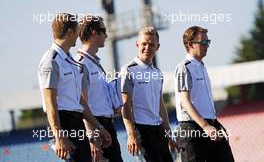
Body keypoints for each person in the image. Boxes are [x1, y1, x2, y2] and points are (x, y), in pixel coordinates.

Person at [38, 13, 112, 162]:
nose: (80, 34)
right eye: (77, 30)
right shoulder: (51, 61)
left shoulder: (70, 61)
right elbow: (50, 103)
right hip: (63, 122)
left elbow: (79, 99)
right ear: (70, 32)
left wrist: (99, 127)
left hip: (76, 121)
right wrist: (59, 137)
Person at [174, 26, 234, 162]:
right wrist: (205, 126)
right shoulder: (184, 67)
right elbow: (185, 101)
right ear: (190, 44)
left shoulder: (202, 66)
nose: (207, 46)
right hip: (192, 128)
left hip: (210, 124)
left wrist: (210, 125)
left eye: (208, 42)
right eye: (203, 43)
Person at [120, 27, 177, 162]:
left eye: (152, 44)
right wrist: (131, 133)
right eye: (144, 43)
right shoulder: (129, 70)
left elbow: (160, 105)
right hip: (141, 130)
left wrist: (169, 134)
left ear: (157, 47)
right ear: (137, 45)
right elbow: (125, 104)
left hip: (159, 131)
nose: (147, 47)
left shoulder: (158, 73)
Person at [75, 14, 123, 162]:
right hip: (97, 127)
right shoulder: (81, 64)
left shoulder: (94, 62)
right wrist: (93, 137)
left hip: (106, 125)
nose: (106, 35)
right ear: (94, 33)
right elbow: (82, 104)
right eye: (103, 30)